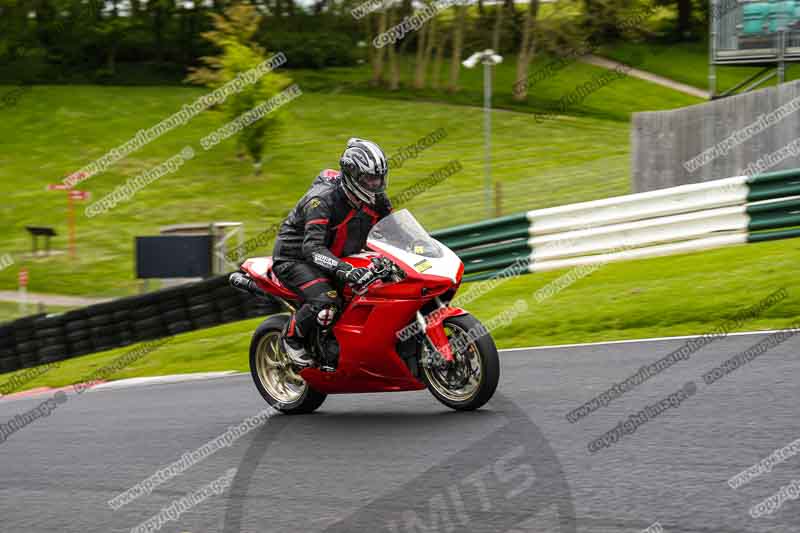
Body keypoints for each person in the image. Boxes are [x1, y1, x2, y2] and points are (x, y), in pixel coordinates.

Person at [271, 138, 393, 368]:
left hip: (337, 253)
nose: (376, 184)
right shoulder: (322, 200)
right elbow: (312, 248)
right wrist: (344, 269)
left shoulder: (376, 198)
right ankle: (291, 337)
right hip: (295, 258)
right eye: (369, 178)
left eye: (379, 177)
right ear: (352, 175)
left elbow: (393, 229)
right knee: (327, 300)